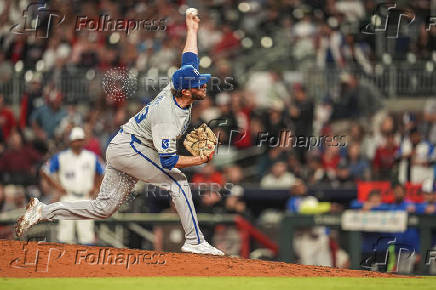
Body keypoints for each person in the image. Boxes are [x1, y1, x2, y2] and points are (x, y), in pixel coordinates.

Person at [16, 11, 224, 256]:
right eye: (199, 83)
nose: (204, 84)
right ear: (187, 92)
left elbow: (190, 58)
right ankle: (194, 240)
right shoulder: (167, 117)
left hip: (126, 146)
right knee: (177, 182)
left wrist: (192, 29)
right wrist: (201, 160)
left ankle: (43, 211)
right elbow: (168, 161)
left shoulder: (178, 86)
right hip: (131, 149)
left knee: (103, 208)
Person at [40, 127, 104, 245]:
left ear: (84, 141)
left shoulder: (91, 156)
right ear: (71, 141)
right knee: (65, 234)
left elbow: (103, 171)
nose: (78, 142)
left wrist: (96, 187)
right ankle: (65, 263)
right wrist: (57, 187)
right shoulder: (61, 156)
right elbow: (44, 170)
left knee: (87, 235)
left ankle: (86, 262)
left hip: (85, 197)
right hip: (68, 197)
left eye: (80, 140)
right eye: (76, 140)